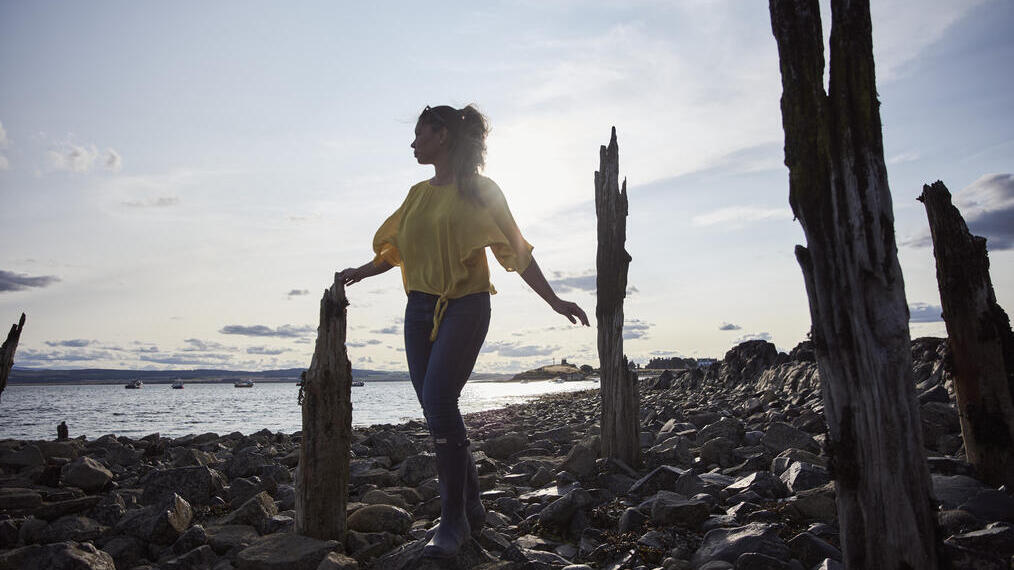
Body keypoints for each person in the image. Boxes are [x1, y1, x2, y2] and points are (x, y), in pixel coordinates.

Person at [337, 104, 589, 559]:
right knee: (438, 410)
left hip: (466, 308)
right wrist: (362, 270)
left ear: (444, 136)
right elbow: (395, 250)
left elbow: (518, 253)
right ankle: (470, 505)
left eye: (420, 134)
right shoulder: (416, 194)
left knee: (438, 401)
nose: (413, 143)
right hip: (417, 310)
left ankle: (452, 520)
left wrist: (554, 301)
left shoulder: (482, 192)